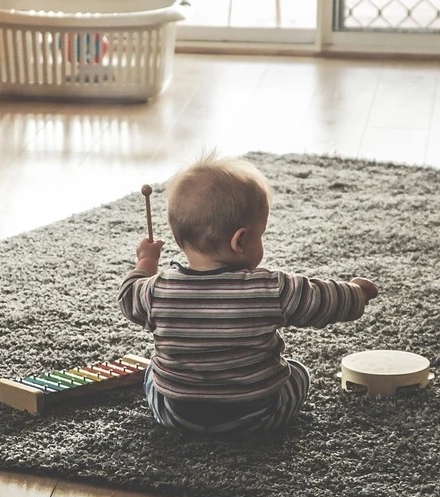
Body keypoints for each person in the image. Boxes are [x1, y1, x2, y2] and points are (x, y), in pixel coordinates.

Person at [118, 153, 378, 435]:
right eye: (261, 234)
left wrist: (146, 262)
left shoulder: (156, 291)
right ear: (240, 240)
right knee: (298, 372)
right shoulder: (271, 288)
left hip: (178, 415)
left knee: (151, 374)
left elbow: (128, 296)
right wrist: (356, 293)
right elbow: (323, 300)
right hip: (257, 415)